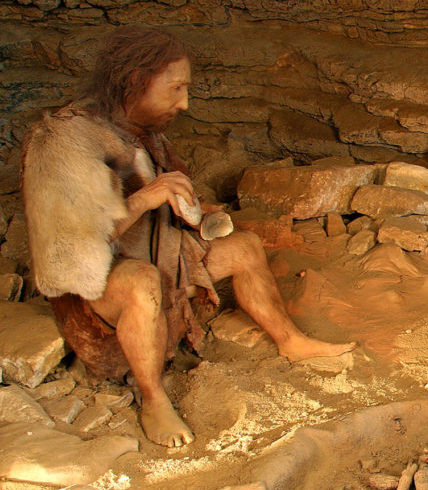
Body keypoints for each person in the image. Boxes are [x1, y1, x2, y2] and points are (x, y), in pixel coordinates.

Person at [21, 26, 354, 448]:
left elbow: (167, 199)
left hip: (164, 253)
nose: (185, 102)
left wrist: (195, 210)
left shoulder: (137, 128)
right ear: (135, 83)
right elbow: (75, 250)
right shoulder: (67, 140)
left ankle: (291, 341)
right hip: (101, 285)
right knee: (143, 283)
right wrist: (146, 199)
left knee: (246, 248)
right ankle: (153, 399)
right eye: (176, 88)